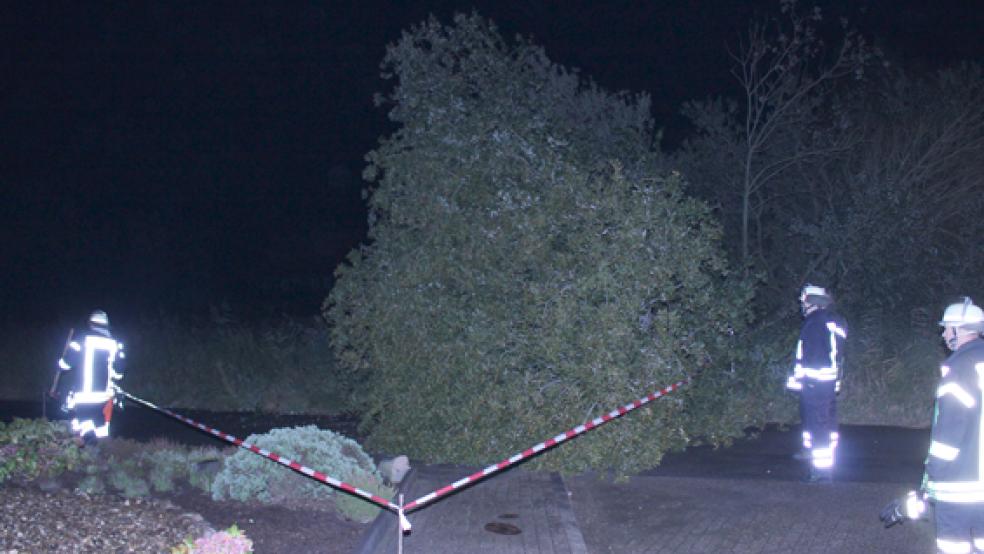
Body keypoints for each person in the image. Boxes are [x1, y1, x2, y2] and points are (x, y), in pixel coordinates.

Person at [887, 297, 984, 552]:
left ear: (959, 329)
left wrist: (933, 474)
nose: (943, 334)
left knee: (954, 546)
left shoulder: (959, 367)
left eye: (946, 328)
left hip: (960, 485)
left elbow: (950, 431)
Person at [785, 284, 848, 482]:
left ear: (811, 301)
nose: (802, 305)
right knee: (825, 423)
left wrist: (801, 380)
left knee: (818, 425)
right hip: (827, 383)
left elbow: (810, 357)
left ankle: (821, 473)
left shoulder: (815, 323)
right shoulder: (833, 321)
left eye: (804, 301)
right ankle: (814, 455)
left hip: (815, 383)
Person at [51, 310, 125, 445]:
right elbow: (119, 374)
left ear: (91, 324)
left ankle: (87, 448)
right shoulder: (115, 344)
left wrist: (59, 364)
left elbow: (66, 364)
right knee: (99, 424)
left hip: (83, 393)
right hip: (104, 394)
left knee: (81, 423)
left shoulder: (81, 340)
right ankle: (99, 453)